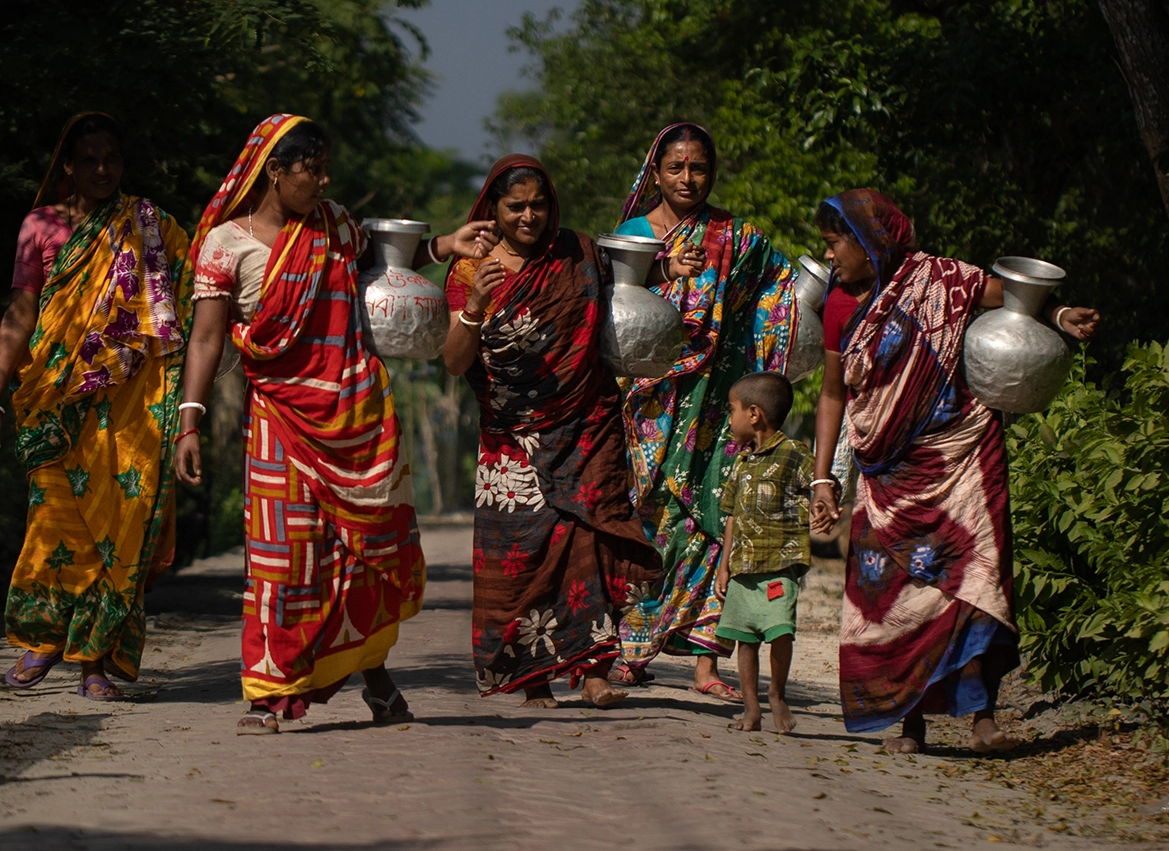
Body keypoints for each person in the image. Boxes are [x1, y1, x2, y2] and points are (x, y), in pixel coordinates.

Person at [173, 114, 491, 735]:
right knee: (282, 561)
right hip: (279, 422)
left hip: (355, 416)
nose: (323, 179)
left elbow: (384, 264)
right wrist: (190, 420)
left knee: (358, 556)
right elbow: (207, 340)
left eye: (323, 168)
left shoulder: (335, 224)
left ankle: (377, 681)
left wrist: (445, 247)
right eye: (311, 169)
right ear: (274, 171)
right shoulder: (224, 245)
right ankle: (270, 693)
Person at [809, 189, 1099, 754]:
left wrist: (1060, 314)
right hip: (887, 474)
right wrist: (824, 479)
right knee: (895, 593)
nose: (830, 255)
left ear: (872, 243)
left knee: (971, 582)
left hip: (961, 454)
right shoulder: (839, 306)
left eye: (836, 241)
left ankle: (981, 715)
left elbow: (1010, 298)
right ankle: (911, 721)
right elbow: (830, 396)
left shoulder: (939, 279)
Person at [443, 155, 674, 709]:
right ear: (492, 211)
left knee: (586, 541)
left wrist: (671, 271)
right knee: (520, 556)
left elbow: (624, 291)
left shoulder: (578, 252)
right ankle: (533, 677)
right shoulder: (470, 269)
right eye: (515, 206)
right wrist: (475, 305)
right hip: (511, 435)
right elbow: (453, 361)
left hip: (585, 423)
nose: (529, 216)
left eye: (538, 204)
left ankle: (593, 669)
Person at [0, 112, 194, 701]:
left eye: (112, 159)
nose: (102, 170)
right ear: (67, 166)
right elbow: (21, 313)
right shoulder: (40, 226)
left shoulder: (148, 226)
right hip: (53, 398)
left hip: (129, 407)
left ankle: (93, 660)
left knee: (115, 527)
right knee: (52, 523)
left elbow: (196, 284)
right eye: (90, 160)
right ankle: (42, 642)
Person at [612, 122, 799, 700]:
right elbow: (608, 296)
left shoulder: (736, 236)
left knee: (711, 520)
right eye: (676, 168)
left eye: (698, 168)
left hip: (716, 408)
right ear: (656, 172)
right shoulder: (634, 235)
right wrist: (666, 273)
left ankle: (703, 667)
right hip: (650, 405)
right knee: (648, 520)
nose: (687, 179)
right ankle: (629, 653)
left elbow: (782, 285)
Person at [715, 372, 814, 735]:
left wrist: (823, 502)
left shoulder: (795, 454)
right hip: (743, 566)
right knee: (746, 639)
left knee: (780, 630)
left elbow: (818, 486)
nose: (730, 418)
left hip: (781, 563)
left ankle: (777, 694)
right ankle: (751, 708)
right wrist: (724, 566)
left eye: (732, 410)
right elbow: (732, 517)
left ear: (753, 414)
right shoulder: (740, 464)